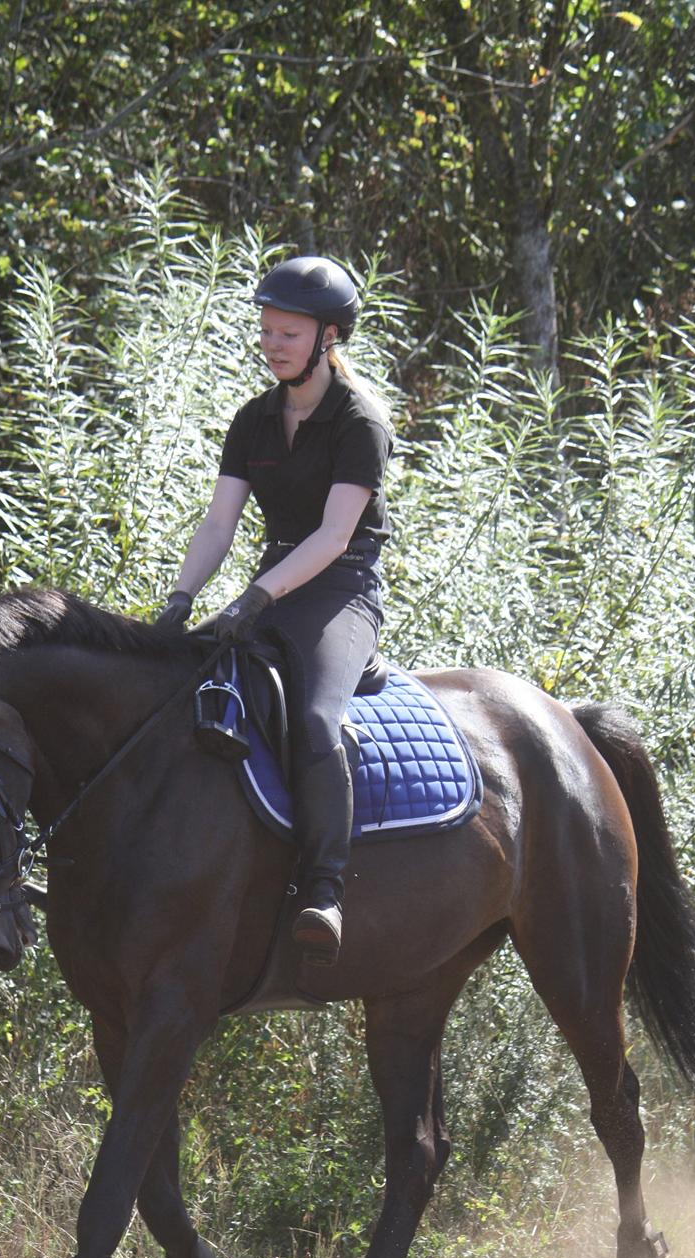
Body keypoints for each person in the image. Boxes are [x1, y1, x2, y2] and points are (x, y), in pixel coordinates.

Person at [156, 256, 393, 965]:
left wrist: (255, 597)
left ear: (328, 338)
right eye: (266, 331)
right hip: (271, 581)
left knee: (316, 718)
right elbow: (218, 525)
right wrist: (179, 601)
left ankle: (323, 887)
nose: (272, 344)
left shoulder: (359, 423)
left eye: (288, 333)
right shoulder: (252, 420)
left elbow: (334, 536)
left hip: (339, 589)